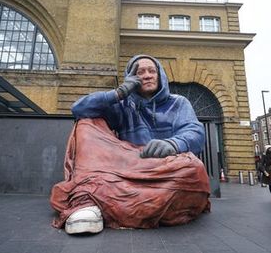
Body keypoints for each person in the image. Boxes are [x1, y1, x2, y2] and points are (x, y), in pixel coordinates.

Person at [49, 55, 210, 234]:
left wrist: (173, 144)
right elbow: (78, 109)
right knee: (86, 123)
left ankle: (98, 200)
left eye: (152, 71)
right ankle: (89, 203)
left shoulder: (179, 102)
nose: (147, 75)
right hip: (127, 166)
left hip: (166, 166)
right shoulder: (123, 105)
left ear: (161, 75)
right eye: (140, 72)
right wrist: (118, 93)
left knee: (195, 167)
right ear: (131, 78)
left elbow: (195, 132)